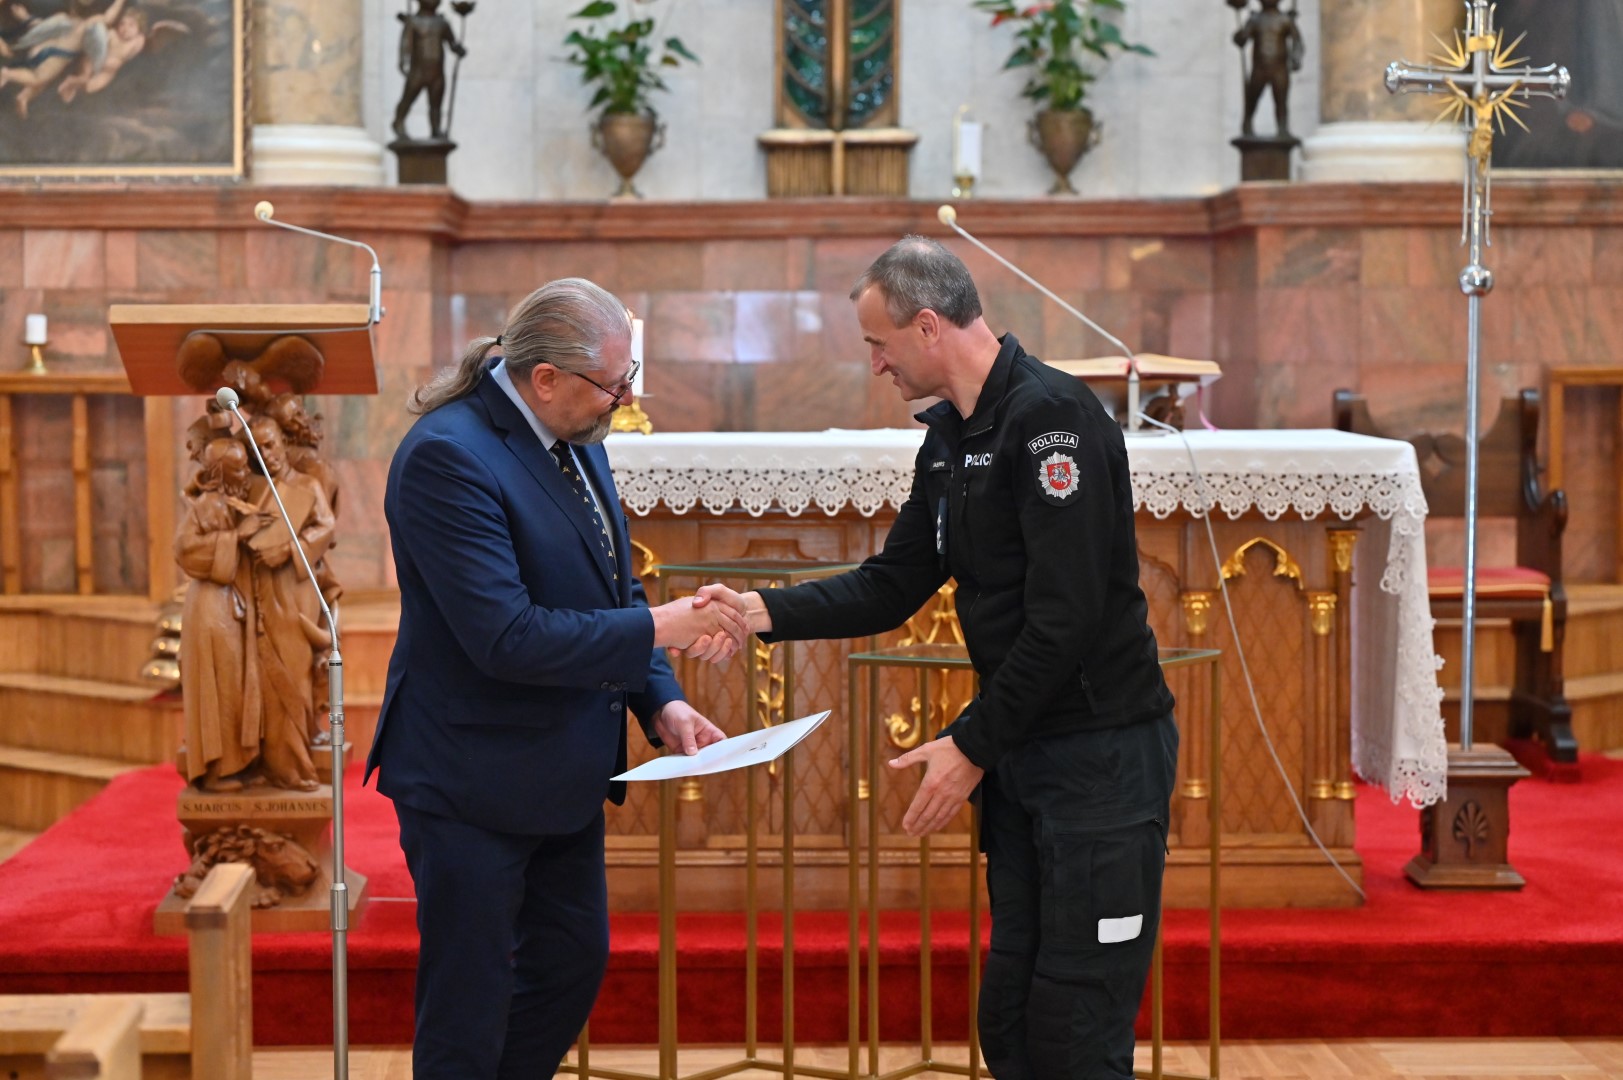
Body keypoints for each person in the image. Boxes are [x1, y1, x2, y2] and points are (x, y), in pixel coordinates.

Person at [706, 238, 1178, 1080]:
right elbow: (893, 583)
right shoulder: (950, 438)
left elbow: (1064, 620)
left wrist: (968, 745)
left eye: (878, 343)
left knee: (1076, 1025)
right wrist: (758, 612)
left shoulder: (1052, 421)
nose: (875, 364)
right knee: (1012, 1020)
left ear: (927, 326)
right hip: (1024, 751)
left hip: (1097, 756)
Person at [364, 277, 746, 1079]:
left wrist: (661, 701)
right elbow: (505, 637)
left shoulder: (576, 433)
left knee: (570, 966)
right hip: (470, 776)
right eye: (612, 382)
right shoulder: (447, 456)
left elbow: (614, 589)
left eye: (625, 376)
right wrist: (664, 628)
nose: (624, 398)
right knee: (468, 1003)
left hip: (560, 769)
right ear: (544, 377)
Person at [175, 438, 269, 793]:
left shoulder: (231, 502)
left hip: (230, 605)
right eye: (239, 468)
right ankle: (215, 770)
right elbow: (184, 549)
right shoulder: (205, 506)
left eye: (245, 466)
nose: (246, 473)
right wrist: (236, 536)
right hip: (210, 607)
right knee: (217, 686)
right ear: (221, 473)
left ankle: (238, 764)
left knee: (236, 685)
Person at [392, 0, 463, 141]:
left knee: (436, 103)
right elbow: (406, 43)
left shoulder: (442, 23)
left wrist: (458, 49)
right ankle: (399, 121)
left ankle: (436, 129)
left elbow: (452, 43)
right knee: (408, 99)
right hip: (418, 71)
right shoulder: (413, 22)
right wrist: (404, 61)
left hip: (437, 72)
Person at [1234, 0, 1303, 138]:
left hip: (1280, 68)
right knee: (1252, 98)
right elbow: (1242, 40)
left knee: (1281, 101)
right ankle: (1247, 125)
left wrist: (1295, 58)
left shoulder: (1285, 19)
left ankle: (1282, 129)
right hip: (1260, 68)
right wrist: (1239, 36)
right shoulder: (1255, 20)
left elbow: (1297, 41)